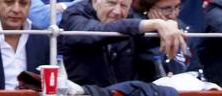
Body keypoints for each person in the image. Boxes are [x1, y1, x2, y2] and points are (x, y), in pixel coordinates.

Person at [59, 0, 188, 87]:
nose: (117, 11)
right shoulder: (74, 15)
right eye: (111, 2)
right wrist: (154, 23)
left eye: (123, 5)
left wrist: (169, 25)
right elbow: (97, 32)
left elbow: (146, 38)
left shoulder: (128, 18)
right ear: (95, 1)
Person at [0, 0, 49, 89]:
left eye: (23, 3)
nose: (16, 9)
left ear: (30, 5)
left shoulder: (42, 38)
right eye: (9, 2)